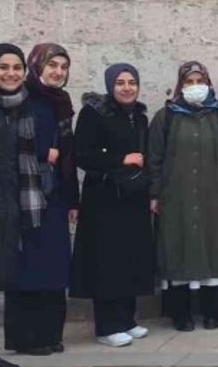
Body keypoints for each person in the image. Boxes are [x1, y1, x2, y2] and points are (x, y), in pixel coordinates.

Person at [148, 61, 218, 332]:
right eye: (189, 82)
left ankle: (213, 311)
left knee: (213, 249)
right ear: (180, 86)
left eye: (199, 81)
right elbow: (154, 159)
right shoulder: (166, 117)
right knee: (176, 249)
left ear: (208, 84)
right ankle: (181, 314)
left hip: (213, 197)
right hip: (174, 199)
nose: (195, 87)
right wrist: (154, 193)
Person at [0, 44, 78, 356]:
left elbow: (69, 153)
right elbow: (8, 143)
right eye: (52, 65)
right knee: (29, 267)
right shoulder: (22, 97)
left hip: (54, 194)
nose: (58, 71)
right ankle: (27, 338)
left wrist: (73, 199)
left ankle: (50, 334)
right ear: (37, 66)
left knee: (54, 267)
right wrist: (43, 154)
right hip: (27, 193)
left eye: (63, 66)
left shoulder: (61, 101)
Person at [70, 64, 155, 347]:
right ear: (110, 85)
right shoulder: (94, 113)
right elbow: (82, 154)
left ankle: (127, 319)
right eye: (120, 82)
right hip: (104, 200)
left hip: (132, 196)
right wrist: (121, 159)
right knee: (106, 261)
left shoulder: (138, 117)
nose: (127, 88)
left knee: (130, 258)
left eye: (132, 82)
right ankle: (107, 326)